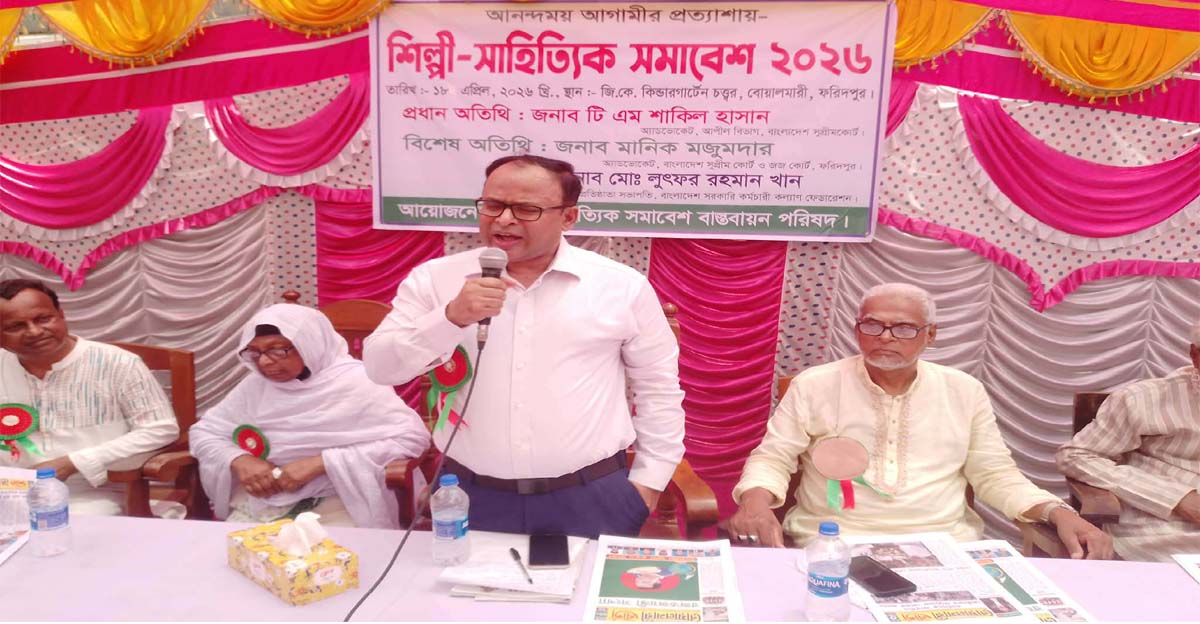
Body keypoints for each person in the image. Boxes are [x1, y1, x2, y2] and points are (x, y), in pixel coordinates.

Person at [363, 154, 685, 537]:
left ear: (568, 218)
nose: (503, 220)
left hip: (591, 496)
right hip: (472, 494)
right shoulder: (435, 280)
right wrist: (450, 318)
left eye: (526, 209)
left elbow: (658, 389)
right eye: (493, 205)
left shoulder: (620, 287)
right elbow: (380, 367)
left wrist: (648, 483)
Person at [728, 283, 1113, 559]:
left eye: (904, 328)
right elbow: (773, 457)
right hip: (832, 546)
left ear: (930, 335)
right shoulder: (816, 385)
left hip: (945, 547)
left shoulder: (963, 391)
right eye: (872, 325)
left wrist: (1059, 512)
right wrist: (756, 504)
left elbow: (995, 474)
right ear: (857, 329)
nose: (885, 337)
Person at [189, 304, 430, 528]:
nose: (264, 361)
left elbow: (411, 438)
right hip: (264, 499)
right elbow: (205, 432)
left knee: (327, 557)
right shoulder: (256, 386)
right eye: (255, 352)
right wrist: (240, 459)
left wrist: (321, 463)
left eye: (277, 350)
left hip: (341, 498)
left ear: (310, 344)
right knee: (239, 552)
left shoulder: (358, 382)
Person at [0, 279, 179, 515]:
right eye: (15, 326)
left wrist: (73, 462)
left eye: (43, 319)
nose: (34, 331)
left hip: (94, 490)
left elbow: (160, 428)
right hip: (10, 492)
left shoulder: (118, 363)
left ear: (61, 315)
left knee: (68, 524)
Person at [1056, 318, 1200, 561]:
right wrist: (1177, 498)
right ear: (1195, 355)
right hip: (1162, 529)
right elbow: (1074, 456)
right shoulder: (1144, 399)